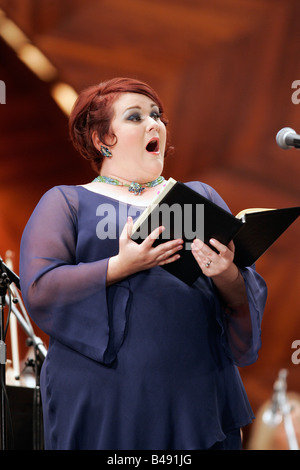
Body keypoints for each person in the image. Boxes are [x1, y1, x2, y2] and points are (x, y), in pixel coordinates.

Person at [19, 77, 267, 450]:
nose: (155, 124)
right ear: (102, 140)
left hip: (196, 388)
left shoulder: (198, 196)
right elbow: (40, 288)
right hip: (106, 393)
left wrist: (227, 272)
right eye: (135, 117)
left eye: (157, 115)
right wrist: (122, 265)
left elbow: (242, 295)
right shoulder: (67, 202)